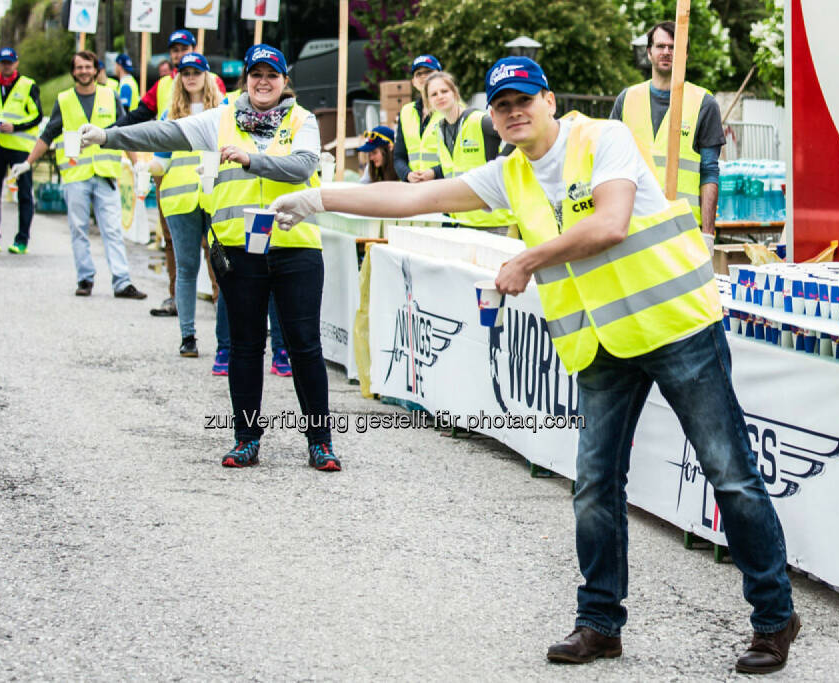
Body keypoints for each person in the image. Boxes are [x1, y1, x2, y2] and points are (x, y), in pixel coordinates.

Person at [269, 56, 800, 674]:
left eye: (523, 99)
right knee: (596, 489)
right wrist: (317, 197)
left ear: (549, 100)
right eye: (501, 106)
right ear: (492, 118)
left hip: (676, 326)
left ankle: (773, 618)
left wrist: (527, 261)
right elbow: (413, 195)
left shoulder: (604, 139)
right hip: (603, 344)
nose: (513, 111)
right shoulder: (509, 174)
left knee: (729, 475)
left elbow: (611, 223)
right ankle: (600, 623)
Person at [86, 43, 340, 472]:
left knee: (304, 347)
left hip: (295, 247)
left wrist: (252, 160)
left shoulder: (303, 120)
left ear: (283, 81)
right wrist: (109, 137)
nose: (263, 82)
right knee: (244, 346)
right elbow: (163, 133)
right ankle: (246, 440)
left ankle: (320, 442)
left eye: (271, 75)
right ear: (245, 79)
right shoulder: (219, 119)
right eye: (256, 74)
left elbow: (301, 166)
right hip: (240, 251)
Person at [11, 51, 146, 299]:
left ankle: (122, 281)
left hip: (105, 175)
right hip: (76, 175)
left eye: (88, 67)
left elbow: (123, 132)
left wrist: (136, 162)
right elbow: (48, 134)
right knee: (78, 230)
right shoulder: (64, 100)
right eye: (79, 67)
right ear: (73, 72)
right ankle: (85, 279)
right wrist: (28, 162)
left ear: (96, 70)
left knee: (112, 230)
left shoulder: (110, 96)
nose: (84, 71)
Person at [117, 29, 227, 319]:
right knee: (174, 245)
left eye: (184, 48)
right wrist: (113, 134)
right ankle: (175, 297)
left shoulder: (217, 92)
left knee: (214, 249)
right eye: (175, 52)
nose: (188, 73)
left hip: (210, 186)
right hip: (174, 183)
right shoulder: (163, 86)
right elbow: (141, 116)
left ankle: (220, 304)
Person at [140, 52, 231, 367]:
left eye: (196, 71)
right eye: (185, 72)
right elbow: (160, 162)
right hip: (180, 200)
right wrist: (140, 168)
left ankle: (226, 341)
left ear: (207, 75)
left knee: (223, 269)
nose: (190, 77)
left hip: (216, 197)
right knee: (186, 269)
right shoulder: (169, 116)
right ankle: (187, 336)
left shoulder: (223, 112)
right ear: (179, 78)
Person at [611, 21, 725, 241]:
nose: (666, 52)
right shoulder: (626, 100)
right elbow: (609, 165)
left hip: (683, 229)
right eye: (660, 46)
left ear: (685, 54)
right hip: (634, 227)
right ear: (649, 52)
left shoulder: (704, 103)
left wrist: (708, 234)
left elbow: (709, 172)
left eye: (674, 47)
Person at [423, 70, 513, 234]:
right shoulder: (439, 131)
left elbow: (516, 138)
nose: (440, 96)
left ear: (455, 93)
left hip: (495, 222)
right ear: (428, 102)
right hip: (462, 221)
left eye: (444, 91)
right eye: (434, 94)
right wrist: (431, 173)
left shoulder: (480, 121)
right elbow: (455, 168)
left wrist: (499, 165)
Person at [0, 47, 42, 254]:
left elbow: (37, 115)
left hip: (20, 148)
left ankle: (22, 240)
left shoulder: (28, 85)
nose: (6, 66)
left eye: (10, 62)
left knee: (24, 194)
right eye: (3, 62)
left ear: (16, 63)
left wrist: (16, 127)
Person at [393, 54, 443, 183]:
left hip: (443, 185)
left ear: (441, 77)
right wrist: (407, 174)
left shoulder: (452, 110)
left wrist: (434, 173)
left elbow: (461, 157)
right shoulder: (406, 112)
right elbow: (399, 157)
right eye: (418, 74)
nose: (423, 76)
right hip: (414, 188)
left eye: (428, 72)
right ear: (413, 82)